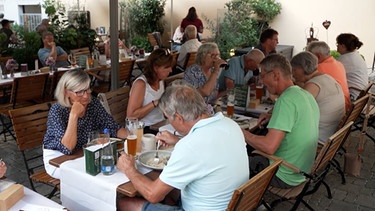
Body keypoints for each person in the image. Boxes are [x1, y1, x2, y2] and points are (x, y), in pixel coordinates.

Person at [117, 81, 249, 210]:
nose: (169, 121)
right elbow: (208, 152)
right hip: (232, 204)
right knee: (163, 185)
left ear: (179, 118)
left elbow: (153, 194)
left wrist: (129, 169)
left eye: (168, 117)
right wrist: (177, 141)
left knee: (124, 203)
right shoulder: (230, 124)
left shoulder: (190, 146)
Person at [243, 54, 319, 188]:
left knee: (230, 162)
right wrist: (273, 117)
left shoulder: (286, 100)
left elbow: (268, 147)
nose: (261, 81)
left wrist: (241, 132)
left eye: (262, 76)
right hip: (300, 170)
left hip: (283, 174)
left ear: (275, 75)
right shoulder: (304, 94)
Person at [43, 69, 129, 179]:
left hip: (84, 153)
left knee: (111, 168)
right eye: (79, 92)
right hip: (58, 158)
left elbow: (112, 127)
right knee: (93, 174)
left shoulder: (92, 103)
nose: (85, 96)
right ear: (66, 92)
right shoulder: (57, 110)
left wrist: (132, 138)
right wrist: (73, 115)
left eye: (87, 89)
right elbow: (67, 148)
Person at [291, 51, 345, 142]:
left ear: (303, 68)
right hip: (332, 133)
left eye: (294, 70)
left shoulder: (312, 85)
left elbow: (294, 113)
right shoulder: (327, 77)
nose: (293, 74)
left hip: (318, 138)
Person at [127, 48, 174, 134]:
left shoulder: (160, 81)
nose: (170, 70)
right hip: (143, 128)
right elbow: (131, 116)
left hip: (159, 125)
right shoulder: (141, 84)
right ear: (156, 68)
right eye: (166, 67)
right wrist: (154, 103)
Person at [307, 41, 350, 111]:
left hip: (336, 111)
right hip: (344, 105)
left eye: (309, 56)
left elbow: (305, 88)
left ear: (318, 56)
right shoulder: (339, 63)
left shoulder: (318, 68)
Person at [336, 33, 368, 100]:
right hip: (361, 96)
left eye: (337, 44)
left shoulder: (343, 59)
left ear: (343, 46)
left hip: (353, 97)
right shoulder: (356, 55)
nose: (337, 47)